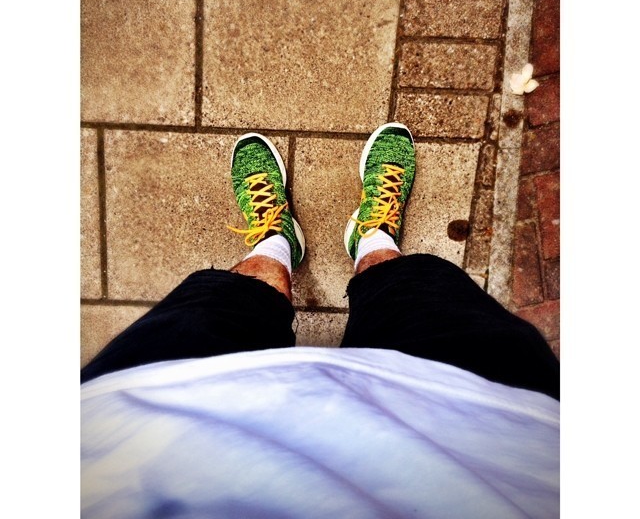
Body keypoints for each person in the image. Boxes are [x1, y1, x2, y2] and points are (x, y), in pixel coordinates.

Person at [81, 123, 560, 518]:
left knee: (221, 303)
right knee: (420, 294)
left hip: (143, 432)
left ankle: (275, 243)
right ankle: (373, 239)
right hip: (488, 436)